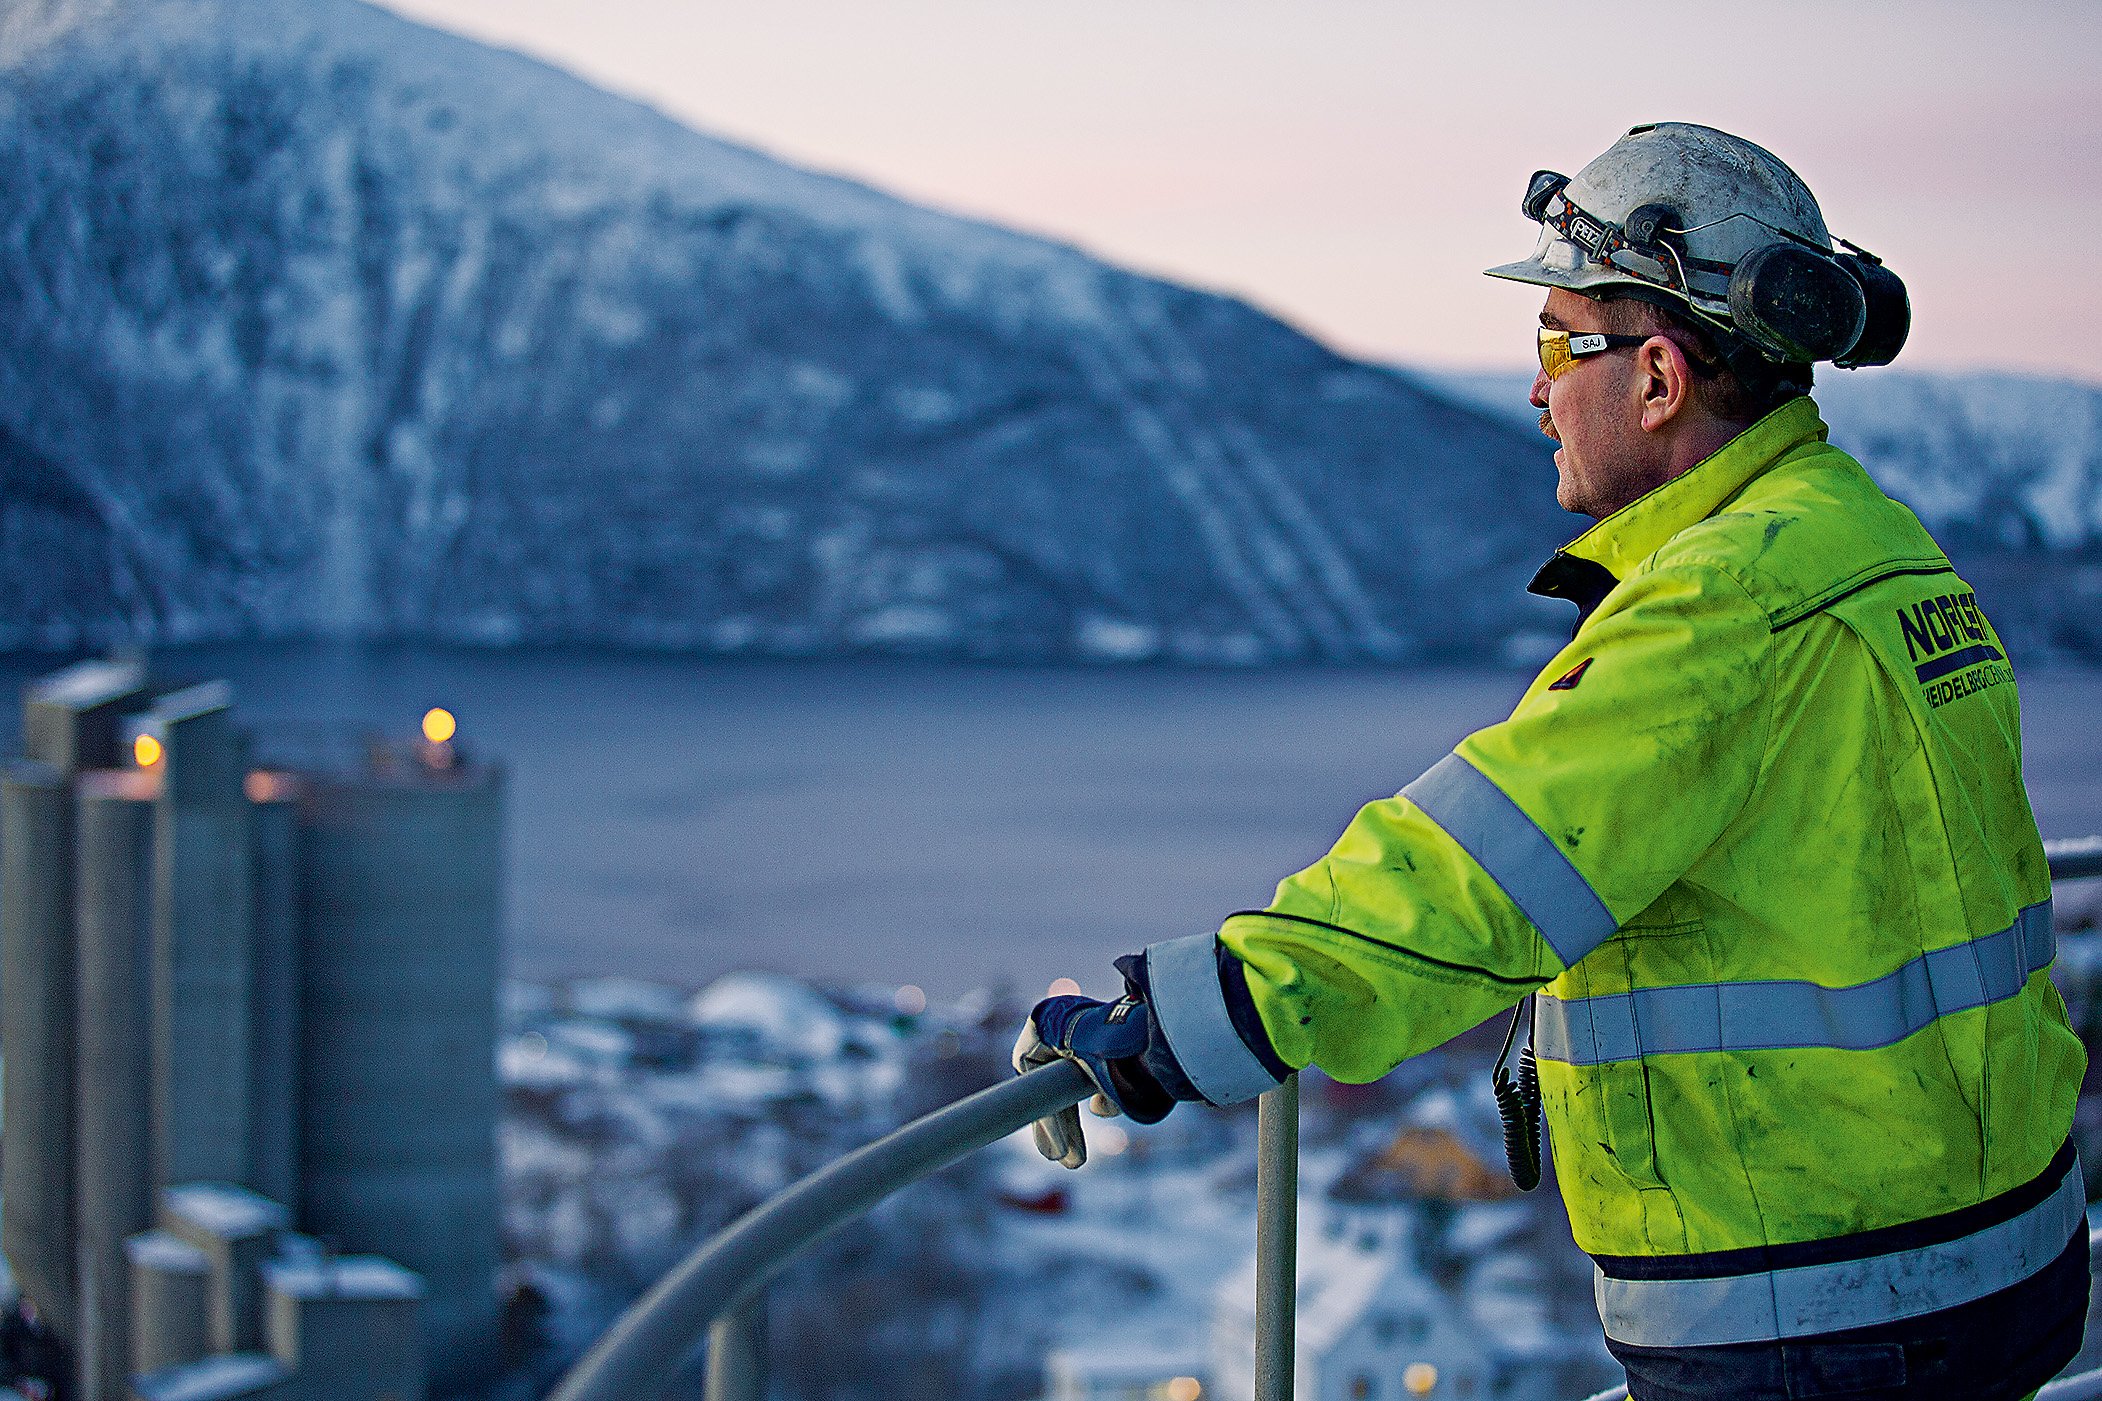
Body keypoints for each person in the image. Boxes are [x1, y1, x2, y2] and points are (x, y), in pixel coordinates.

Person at [1013, 122, 2088, 1401]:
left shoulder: (1728, 604)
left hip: (1818, 1311)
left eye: (1552, 343)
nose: (1533, 390)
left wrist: (1170, 1025)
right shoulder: (1869, 548)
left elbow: (1476, 873)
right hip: (1995, 1254)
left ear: (1655, 379)